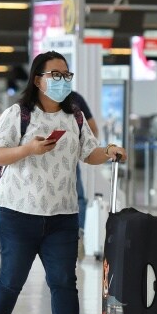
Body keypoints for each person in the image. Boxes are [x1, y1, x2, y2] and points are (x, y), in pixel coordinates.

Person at [0, 50, 127, 314]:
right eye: (55, 75)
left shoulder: (74, 117)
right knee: (12, 277)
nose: (63, 80)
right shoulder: (18, 114)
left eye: (66, 75)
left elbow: (88, 154)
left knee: (64, 279)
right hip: (18, 212)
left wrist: (109, 151)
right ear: (38, 79)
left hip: (62, 214)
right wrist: (29, 149)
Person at [70, 90, 99, 262]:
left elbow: (92, 128)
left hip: (70, 159)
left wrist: (82, 147)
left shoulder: (75, 100)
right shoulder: (31, 103)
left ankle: (79, 234)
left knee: (78, 196)